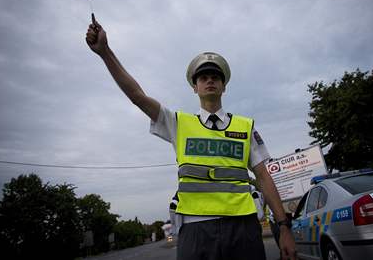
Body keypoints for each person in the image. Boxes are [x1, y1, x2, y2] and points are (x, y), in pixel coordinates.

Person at [85, 18, 298, 260]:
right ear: (194, 87)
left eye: (215, 76)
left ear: (223, 86)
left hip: (243, 228)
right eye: (203, 77)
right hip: (196, 231)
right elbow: (137, 96)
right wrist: (105, 52)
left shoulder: (245, 126)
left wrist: (283, 227)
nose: (209, 80)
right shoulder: (178, 123)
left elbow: (263, 176)